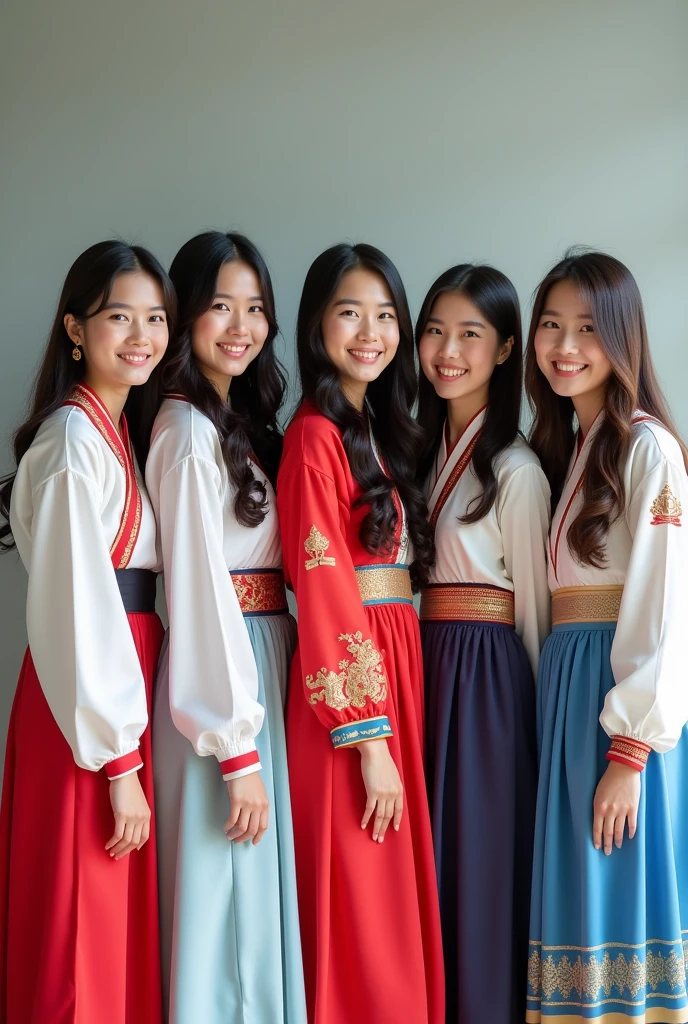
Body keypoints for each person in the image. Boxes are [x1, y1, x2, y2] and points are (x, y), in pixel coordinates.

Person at [0, 240, 174, 1023]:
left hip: (116, 690)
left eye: (156, 318)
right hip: (88, 709)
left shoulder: (113, 432)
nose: (141, 335)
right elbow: (78, 609)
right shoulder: (74, 444)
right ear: (76, 328)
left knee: (110, 928)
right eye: (118, 317)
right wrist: (116, 761)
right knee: (79, 921)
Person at [277, 242, 445, 1024]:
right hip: (351, 696)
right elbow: (322, 585)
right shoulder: (313, 436)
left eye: (386, 315)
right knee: (359, 893)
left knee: (386, 885)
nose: (371, 331)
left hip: (391, 664)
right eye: (351, 312)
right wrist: (367, 738)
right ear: (317, 323)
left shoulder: (375, 425)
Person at [146, 231, 306, 1023]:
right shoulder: (184, 433)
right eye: (220, 306)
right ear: (184, 316)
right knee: (224, 898)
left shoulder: (230, 419)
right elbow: (202, 594)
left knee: (250, 894)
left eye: (256, 309)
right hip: (224, 675)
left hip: (260, 655)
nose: (241, 325)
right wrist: (235, 746)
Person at [525, 250, 688, 1023]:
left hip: (615, 700)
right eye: (551, 325)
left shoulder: (647, 447)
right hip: (570, 687)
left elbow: (663, 609)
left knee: (614, 895)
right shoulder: (575, 448)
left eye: (587, 328)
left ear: (622, 336)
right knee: (575, 897)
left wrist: (629, 755)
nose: (564, 345)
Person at [416, 263, 550, 1024]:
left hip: (489, 682)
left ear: (505, 349)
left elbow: (533, 611)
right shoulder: (412, 448)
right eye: (435, 330)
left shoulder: (518, 470)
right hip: (423, 664)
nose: (447, 350)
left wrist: (527, 723)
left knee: (479, 862)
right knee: (426, 868)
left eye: (470, 334)